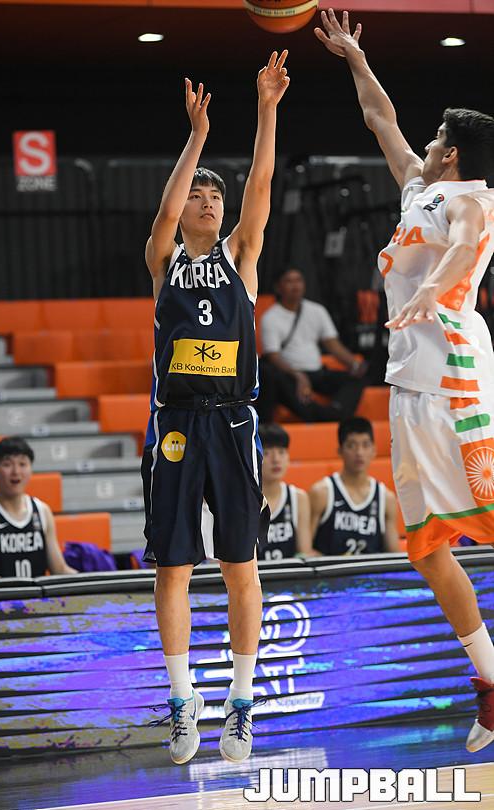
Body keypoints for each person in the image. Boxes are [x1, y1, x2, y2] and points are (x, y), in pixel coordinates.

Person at [316, 8, 494, 752]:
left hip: (450, 369)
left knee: (486, 512)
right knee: (424, 544)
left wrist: (428, 290)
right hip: (409, 377)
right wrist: (355, 58)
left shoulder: (473, 199)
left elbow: (462, 249)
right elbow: (380, 118)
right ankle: (491, 680)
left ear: (452, 153)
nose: (424, 141)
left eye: (436, 137)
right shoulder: (420, 187)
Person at [142, 53, 290, 765]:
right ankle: (181, 705)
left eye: (213, 196)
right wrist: (197, 137)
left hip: (232, 421)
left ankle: (239, 703)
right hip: (176, 424)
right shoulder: (164, 258)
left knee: (240, 564)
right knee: (172, 568)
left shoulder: (242, 256)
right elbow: (166, 211)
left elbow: (260, 182)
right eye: (198, 194)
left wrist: (266, 108)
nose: (206, 202)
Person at [257, 267, 366, 423]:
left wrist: (354, 364)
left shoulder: (317, 310)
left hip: (317, 373)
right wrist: (298, 376)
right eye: (289, 281)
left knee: (354, 380)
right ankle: (322, 415)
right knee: (272, 378)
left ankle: (335, 411)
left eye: (298, 280)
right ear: (278, 287)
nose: (295, 285)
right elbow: (273, 356)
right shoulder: (271, 317)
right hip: (290, 374)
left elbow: (332, 344)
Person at [0, 436, 76, 578]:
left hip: (38, 593)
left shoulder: (42, 511)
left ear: (31, 469)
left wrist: (94, 578)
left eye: (22, 464)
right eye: (7, 464)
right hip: (3, 593)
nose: (16, 471)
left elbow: (59, 569)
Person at [310, 418, 399, 555]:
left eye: (365, 445)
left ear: (374, 450)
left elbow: (393, 554)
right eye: (351, 445)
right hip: (331, 568)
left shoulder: (386, 498)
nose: (359, 452)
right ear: (340, 450)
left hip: (370, 569)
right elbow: (305, 550)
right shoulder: (321, 493)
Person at [257, 424, 311, 560]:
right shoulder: (242, 500)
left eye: (281, 452)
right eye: (267, 453)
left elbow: (305, 553)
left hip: (289, 572)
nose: (276, 459)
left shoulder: (298, 498)